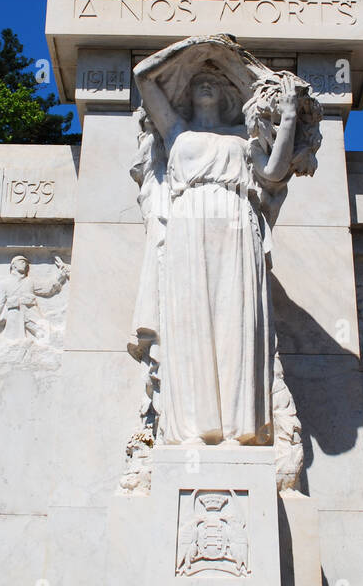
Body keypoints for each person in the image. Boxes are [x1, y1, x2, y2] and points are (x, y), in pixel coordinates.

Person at [132, 39, 310, 446]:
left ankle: (239, 427)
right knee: (188, 320)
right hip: (188, 221)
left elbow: (273, 173)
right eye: (199, 80)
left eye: (215, 79)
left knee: (236, 322)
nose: (207, 83)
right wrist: (197, 48)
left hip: (236, 221)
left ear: (228, 93)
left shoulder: (240, 135)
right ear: (188, 90)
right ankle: (191, 429)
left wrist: (286, 120)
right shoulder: (175, 130)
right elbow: (144, 76)